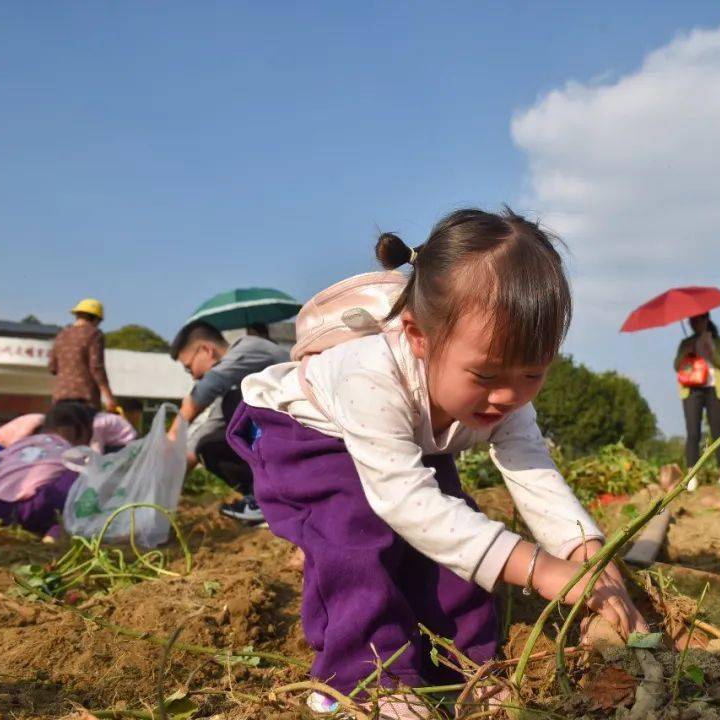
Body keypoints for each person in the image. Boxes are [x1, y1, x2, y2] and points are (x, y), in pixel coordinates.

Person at [226, 208, 648, 718]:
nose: (509, 395)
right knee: (355, 535)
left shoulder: (505, 395)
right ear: (418, 338)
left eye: (533, 373)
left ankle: (465, 664)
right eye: (487, 374)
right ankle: (361, 677)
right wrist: (540, 570)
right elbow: (404, 501)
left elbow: (534, 473)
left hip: (405, 442)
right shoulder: (370, 375)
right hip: (306, 433)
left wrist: (594, 570)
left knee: (455, 534)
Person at [167, 320, 288, 524]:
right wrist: (167, 490)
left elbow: (209, 385)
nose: (194, 376)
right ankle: (262, 500)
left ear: (206, 350)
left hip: (304, 433)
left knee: (235, 405)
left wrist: (173, 433)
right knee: (207, 445)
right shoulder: (231, 386)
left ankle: (283, 496)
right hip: (281, 436)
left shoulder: (251, 347)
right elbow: (200, 437)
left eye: (189, 368)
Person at [0, 402, 93, 538]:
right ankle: (55, 531)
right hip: (29, 510)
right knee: (79, 475)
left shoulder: (22, 443)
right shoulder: (73, 453)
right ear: (80, 431)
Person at [674, 313, 720, 491]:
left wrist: (712, 353)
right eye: (691, 321)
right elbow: (676, 365)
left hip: (714, 388)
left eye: (697, 320)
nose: (693, 324)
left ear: (706, 320)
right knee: (693, 432)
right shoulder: (685, 343)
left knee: (719, 431)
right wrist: (688, 351)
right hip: (691, 388)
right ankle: (691, 476)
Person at [0, 408, 137, 470]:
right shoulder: (36, 423)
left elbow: (96, 449)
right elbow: (15, 446)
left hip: (123, 443)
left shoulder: (98, 424)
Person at [49, 299, 117, 411]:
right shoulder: (94, 334)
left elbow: (52, 368)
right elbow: (96, 368)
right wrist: (109, 398)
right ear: (95, 318)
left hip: (59, 398)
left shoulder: (62, 335)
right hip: (85, 399)